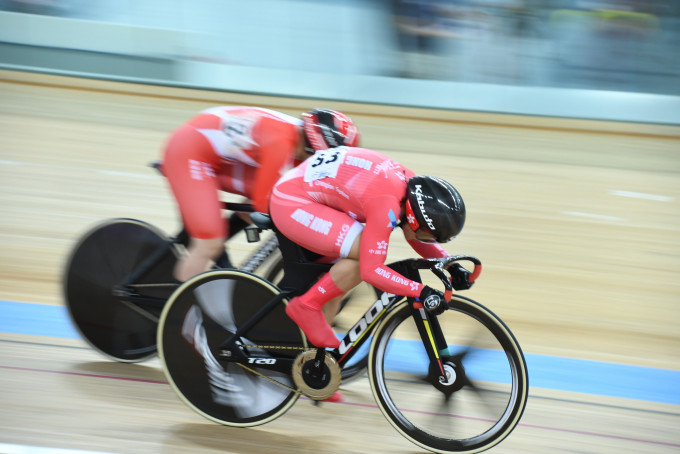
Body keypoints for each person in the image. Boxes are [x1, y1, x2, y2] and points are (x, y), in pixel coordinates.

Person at [269, 146, 473, 349]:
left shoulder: (410, 188)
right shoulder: (387, 204)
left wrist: (451, 265)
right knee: (363, 257)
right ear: (412, 217)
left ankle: (315, 353)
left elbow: (414, 235)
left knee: (342, 278)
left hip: (306, 186)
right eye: (427, 236)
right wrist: (420, 290)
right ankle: (306, 305)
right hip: (292, 200)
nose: (426, 241)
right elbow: (371, 271)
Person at [161, 106, 360, 282]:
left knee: (278, 195)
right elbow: (262, 203)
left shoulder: (301, 139)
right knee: (209, 243)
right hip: (188, 151)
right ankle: (177, 310)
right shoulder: (281, 144)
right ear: (312, 149)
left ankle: (221, 246)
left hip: (220, 152)